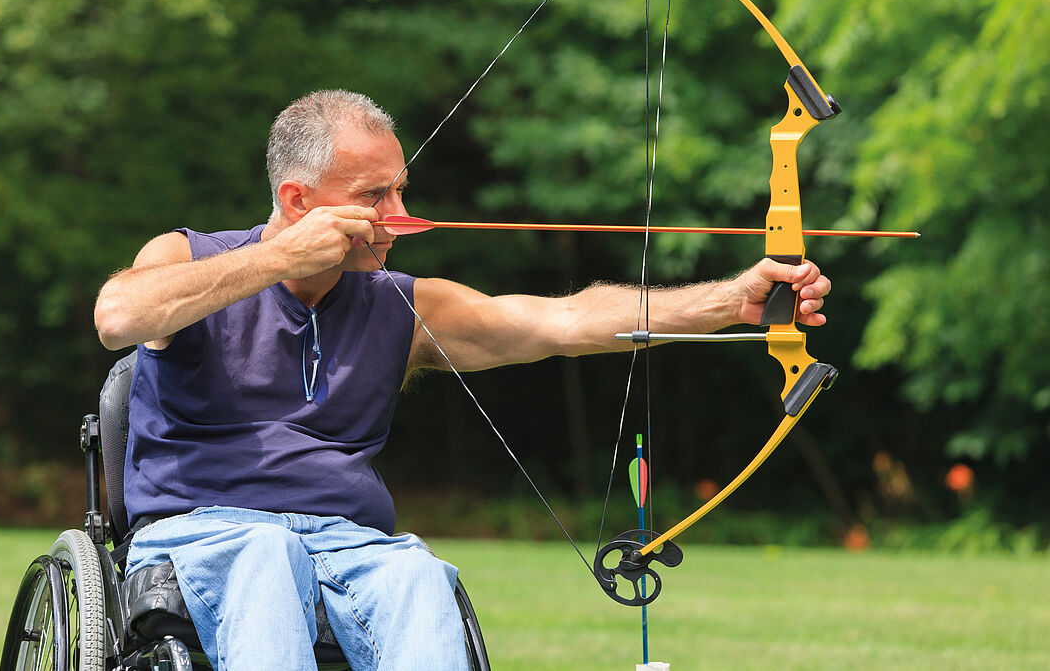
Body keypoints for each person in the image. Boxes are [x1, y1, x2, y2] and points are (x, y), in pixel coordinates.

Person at [93, 89, 831, 670]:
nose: (400, 217)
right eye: (376, 196)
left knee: (419, 573)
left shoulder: (402, 307)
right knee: (266, 557)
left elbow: (563, 320)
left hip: (350, 545)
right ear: (298, 201)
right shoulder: (190, 258)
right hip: (210, 534)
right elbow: (117, 315)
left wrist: (730, 302)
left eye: (401, 191)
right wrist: (279, 260)